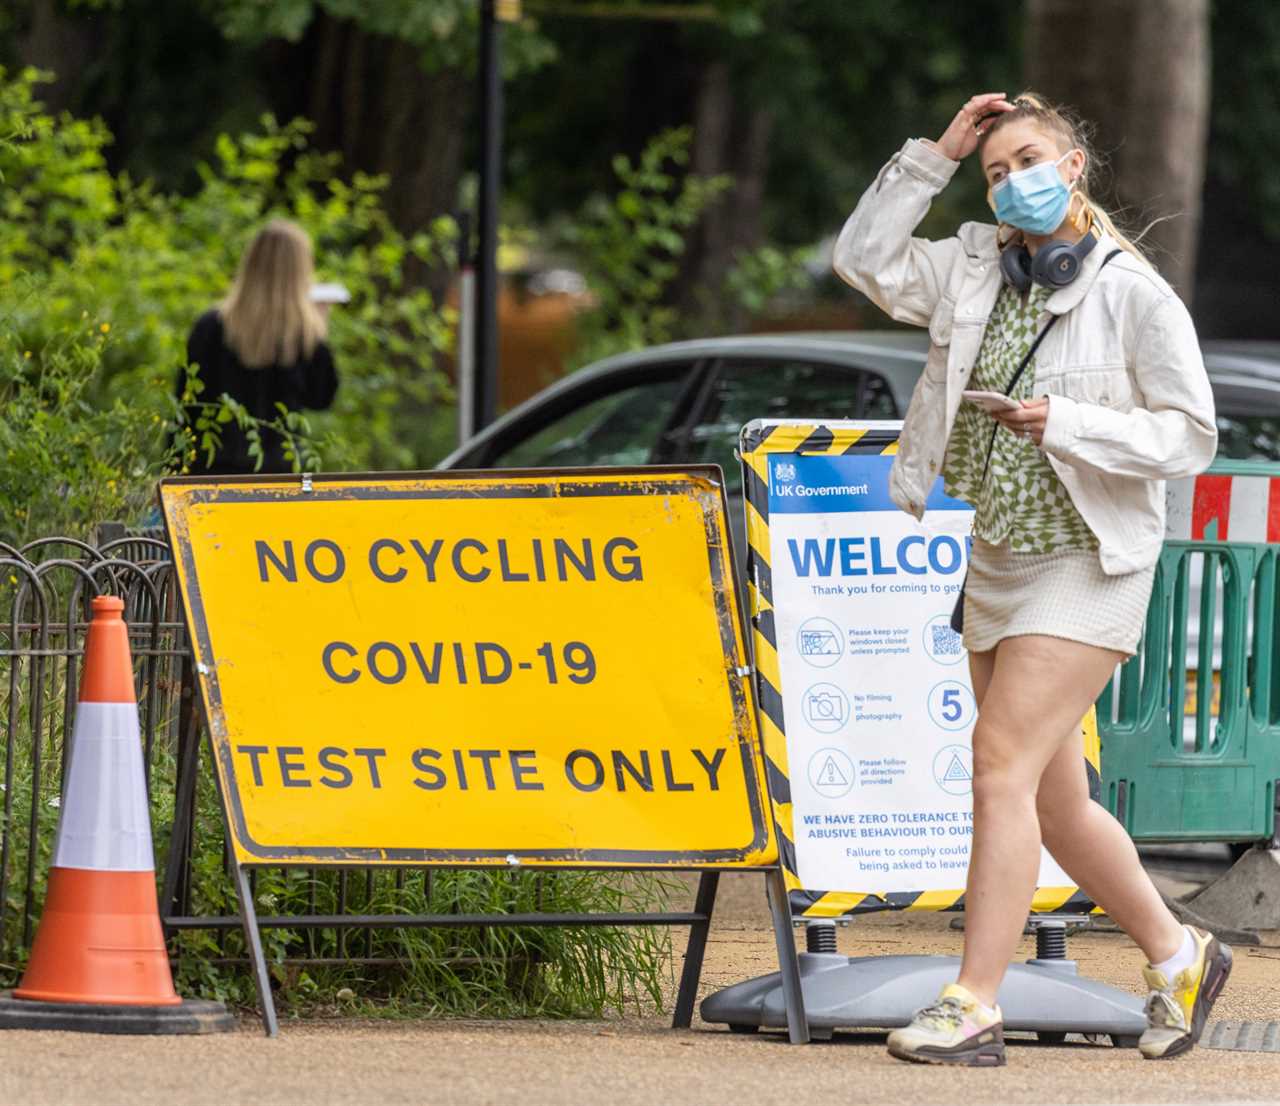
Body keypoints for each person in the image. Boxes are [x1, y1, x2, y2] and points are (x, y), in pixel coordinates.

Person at [832, 92, 1228, 1066]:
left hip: (1086, 562)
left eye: (1027, 160)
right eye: (994, 170)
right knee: (1051, 801)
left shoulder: (1129, 292)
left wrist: (1067, 422)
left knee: (994, 763)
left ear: (1073, 166)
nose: (1010, 180)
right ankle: (1179, 954)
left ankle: (970, 999)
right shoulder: (973, 269)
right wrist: (933, 157)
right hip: (997, 556)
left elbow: (1189, 434)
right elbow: (863, 261)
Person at [179, 219, 338, 475]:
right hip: (279, 480)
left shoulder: (210, 328)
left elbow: (185, 410)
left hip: (209, 476)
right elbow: (321, 399)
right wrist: (319, 328)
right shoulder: (303, 338)